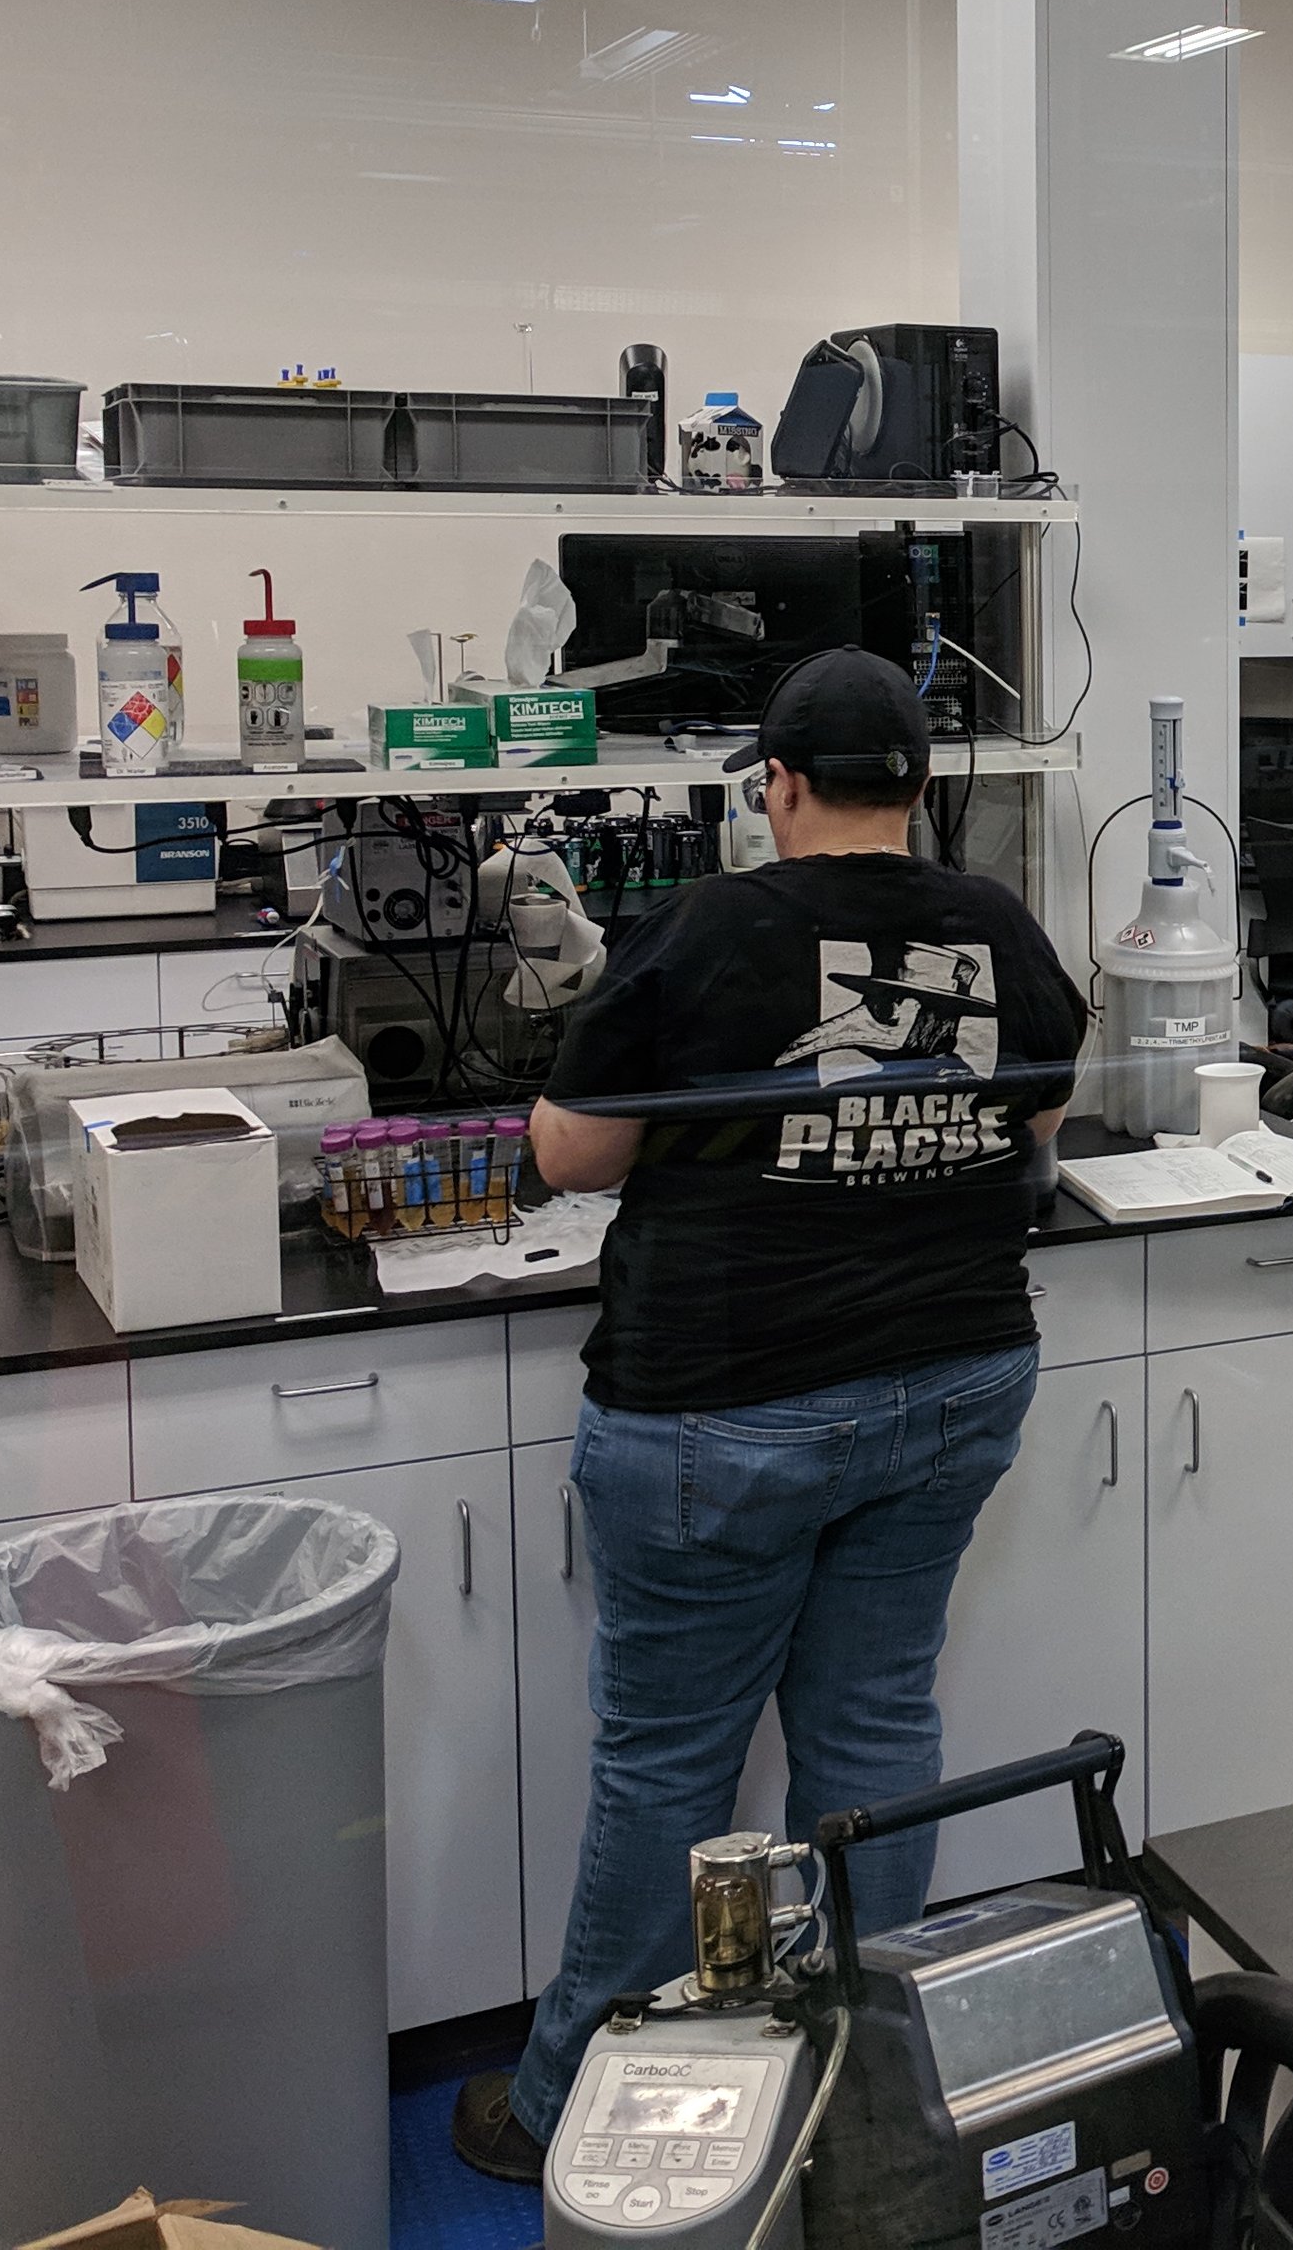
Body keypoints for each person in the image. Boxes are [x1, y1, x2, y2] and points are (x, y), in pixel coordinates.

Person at [456, 647, 1084, 2182]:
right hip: (952, 1383)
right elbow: (1045, 1110)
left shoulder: (707, 926)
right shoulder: (994, 922)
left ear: (777, 787)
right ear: (921, 789)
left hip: (722, 1413)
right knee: (875, 1730)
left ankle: (566, 2112)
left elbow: (572, 1158)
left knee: (670, 1764)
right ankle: (857, 2069)